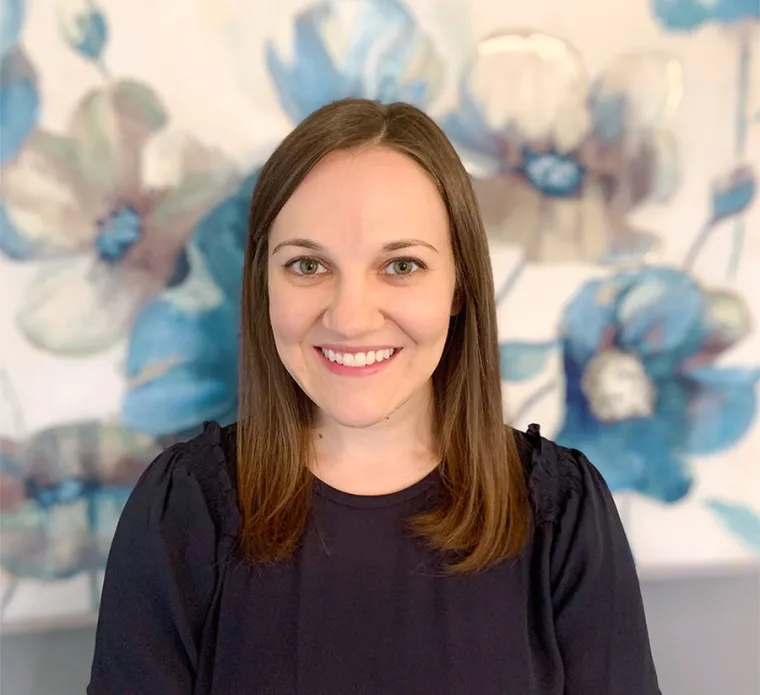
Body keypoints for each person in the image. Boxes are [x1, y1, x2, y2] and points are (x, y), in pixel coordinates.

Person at [88, 98, 661, 694]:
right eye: (308, 266)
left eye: (402, 266)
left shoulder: (561, 514)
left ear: (459, 287)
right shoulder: (182, 513)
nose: (351, 318)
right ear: (263, 284)